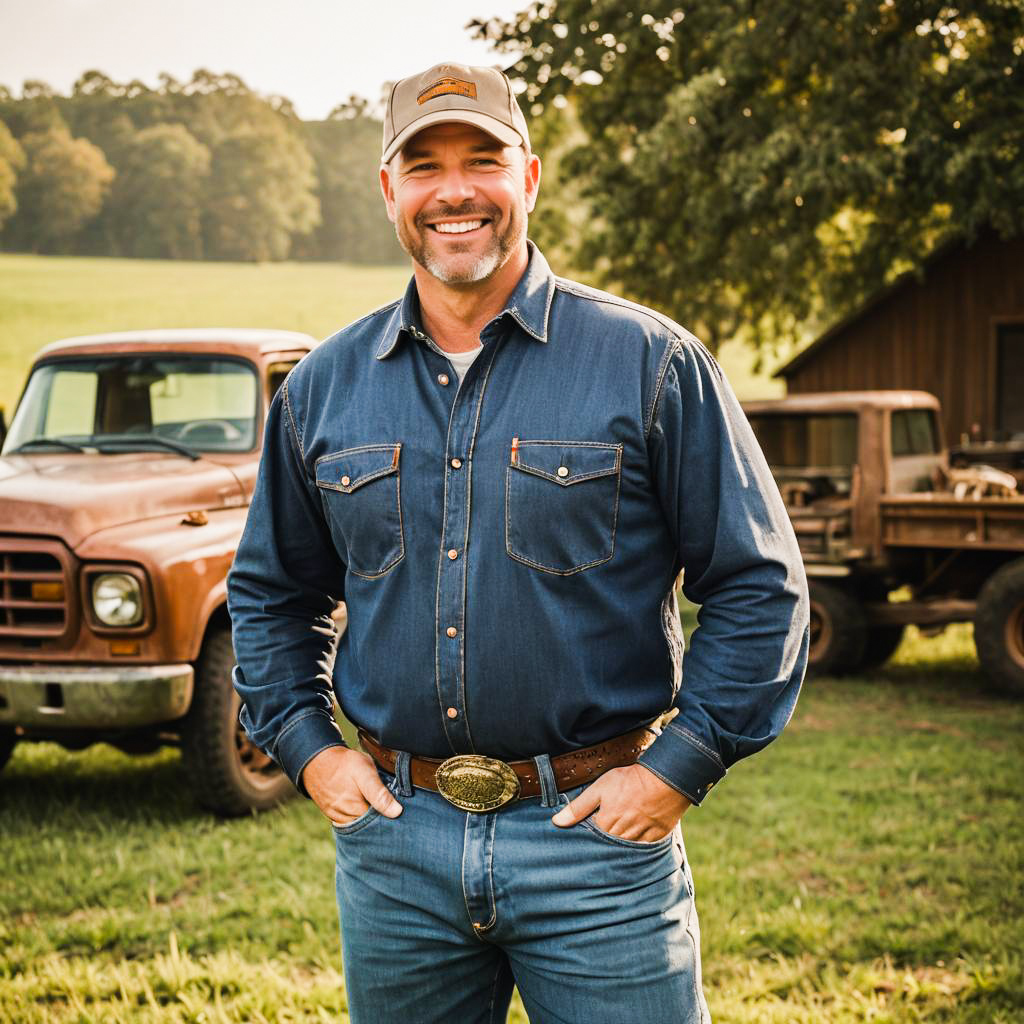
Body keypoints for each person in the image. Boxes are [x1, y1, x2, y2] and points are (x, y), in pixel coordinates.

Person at [228, 61, 809, 1024]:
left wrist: (677, 770)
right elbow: (268, 594)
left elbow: (758, 585)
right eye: (423, 166)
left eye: (482, 159)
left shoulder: (651, 365)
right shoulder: (322, 388)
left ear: (528, 178)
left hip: (596, 849)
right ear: (389, 191)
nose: (455, 190)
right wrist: (308, 751)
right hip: (396, 853)